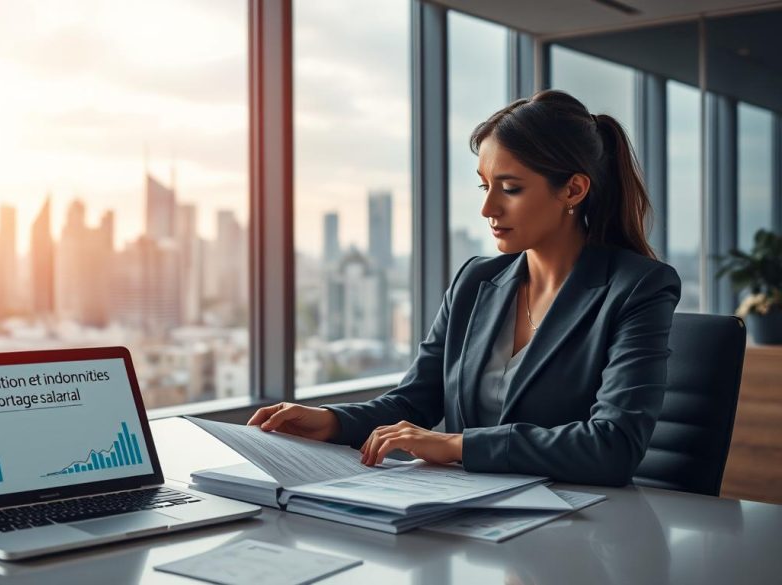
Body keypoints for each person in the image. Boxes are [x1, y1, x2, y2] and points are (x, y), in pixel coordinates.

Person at [247, 90, 681, 486]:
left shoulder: (637, 288)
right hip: (469, 515)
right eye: (485, 185)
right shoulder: (476, 281)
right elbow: (415, 401)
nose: (488, 208)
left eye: (510, 188)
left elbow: (614, 446)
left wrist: (458, 445)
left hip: (585, 529)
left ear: (573, 189)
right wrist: (331, 421)